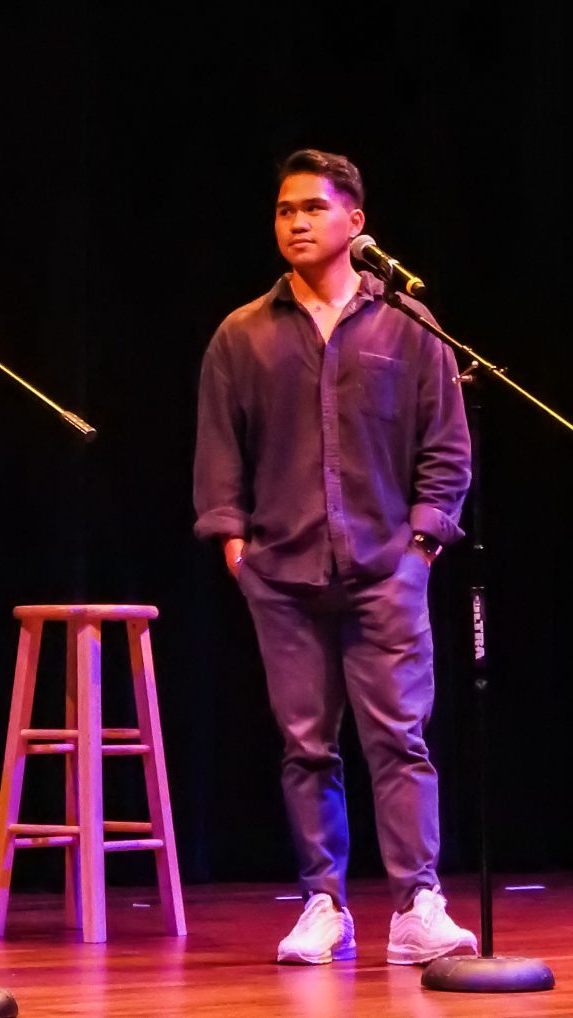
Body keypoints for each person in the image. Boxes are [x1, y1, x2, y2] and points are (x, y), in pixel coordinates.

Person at [193, 149, 479, 966]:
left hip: (388, 567)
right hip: (281, 573)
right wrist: (235, 541)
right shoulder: (243, 333)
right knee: (306, 743)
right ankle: (324, 900)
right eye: (284, 210)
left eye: (313, 208)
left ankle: (419, 902)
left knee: (400, 738)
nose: (295, 222)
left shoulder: (411, 327)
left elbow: (446, 448)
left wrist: (423, 542)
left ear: (356, 222)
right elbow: (220, 450)